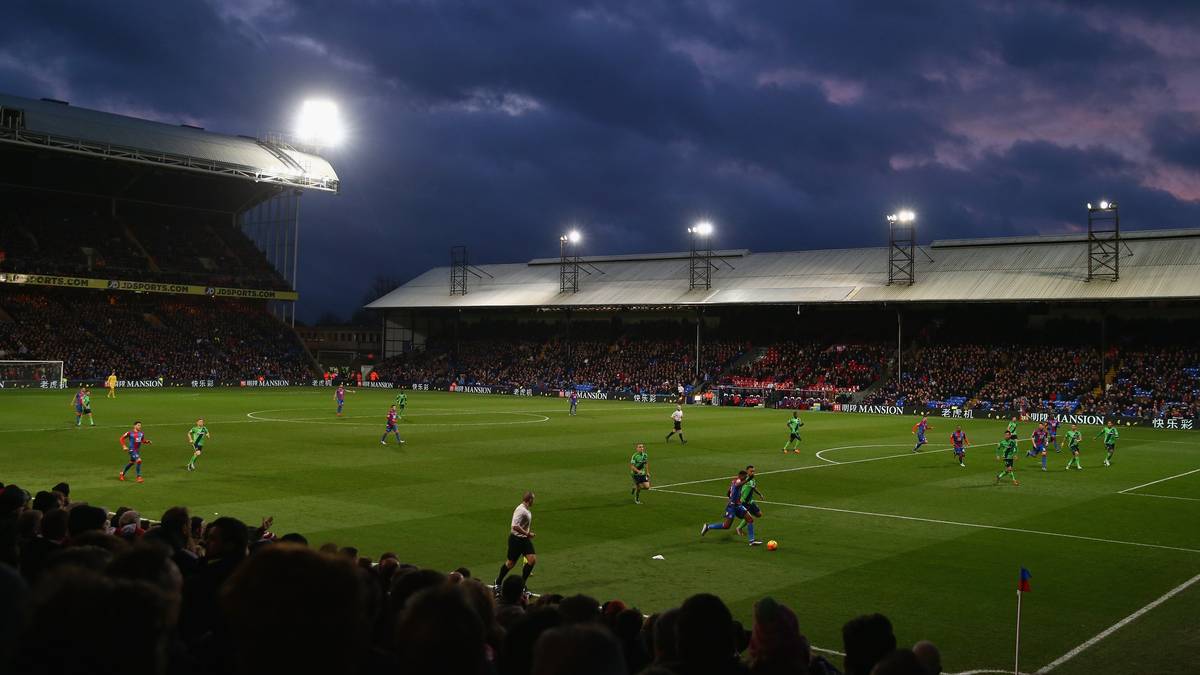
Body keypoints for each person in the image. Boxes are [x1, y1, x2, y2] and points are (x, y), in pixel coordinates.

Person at [701, 470, 761, 546]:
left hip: (738, 505)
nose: (745, 478)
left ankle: (751, 541)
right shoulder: (738, 481)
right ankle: (708, 526)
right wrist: (748, 480)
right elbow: (738, 485)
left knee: (750, 519)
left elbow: (728, 492)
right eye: (745, 477)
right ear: (741, 476)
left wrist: (732, 497)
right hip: (732, 507)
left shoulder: (734, 480)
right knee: (726, 526)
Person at [496, 491, 537, 591]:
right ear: (530, 499)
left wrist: (526, 535)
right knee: (511, 563)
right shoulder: (520, 510)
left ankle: (522, 584)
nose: (534, 501)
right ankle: (498, 582)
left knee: (532, 560)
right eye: (533, 499)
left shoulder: (526, 509)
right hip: (516, 540)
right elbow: (514, 526)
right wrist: (527, 533)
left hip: (524, 540)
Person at [735, 465, 764, 542]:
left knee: (759, 514)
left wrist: (760, 494)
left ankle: (740, 527)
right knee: (750, 518)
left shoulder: (752, 479)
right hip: (744, 502)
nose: (753, 472)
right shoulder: (745, 480)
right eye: (751, 471)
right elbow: (740, 489)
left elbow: (753, 487)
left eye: (754, 471)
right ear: (747, 471)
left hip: (750, 501)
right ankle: (739, 528)